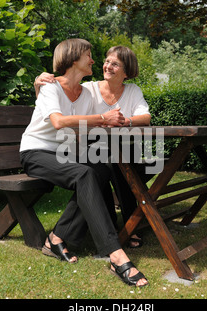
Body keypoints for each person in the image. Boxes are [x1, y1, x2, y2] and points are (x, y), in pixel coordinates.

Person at [20, 39, 148, 287]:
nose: (93, 60)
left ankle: (57, 237)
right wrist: (102, 117)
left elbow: (91, 123)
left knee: (100, 169)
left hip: (63, 153)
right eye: (89, 55)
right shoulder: (51, 88)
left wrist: (111, 120)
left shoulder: (87, 93)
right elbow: (57, 122)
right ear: (73, 58)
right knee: (85, 174)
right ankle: (115, 253)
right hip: (36, 153)